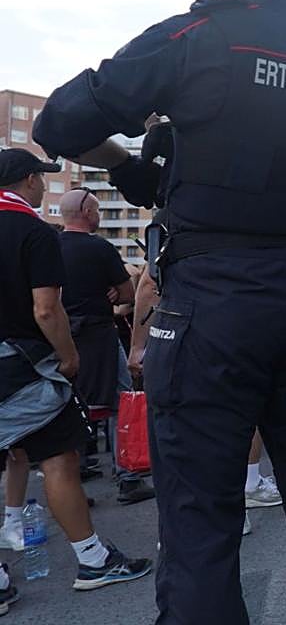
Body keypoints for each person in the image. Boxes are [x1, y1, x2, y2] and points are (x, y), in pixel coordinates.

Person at [32, 0, 286, 623]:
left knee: (199, 515)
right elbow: (283, 154)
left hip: (217, 302)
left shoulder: (200, 35)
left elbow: (60, 123)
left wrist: (133, 165)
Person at [0, 148, 152, 591]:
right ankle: (93, 559)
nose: (44, 184)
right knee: (59, 458)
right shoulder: (32, 231)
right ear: (28, 180)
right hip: (24, 366)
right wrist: (67, 357)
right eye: (41, 177)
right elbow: (46, 309)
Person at [56, 188, 155, 505]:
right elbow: (127, 294)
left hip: (59, 337)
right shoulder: (99, 249)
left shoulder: (49, 247)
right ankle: (127, 477)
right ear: (86, 211)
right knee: (120, 403)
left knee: (68, 403)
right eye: (97, 210)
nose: (99, 216)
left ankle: (75, 475)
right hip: (99, 334)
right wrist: (112, 291)